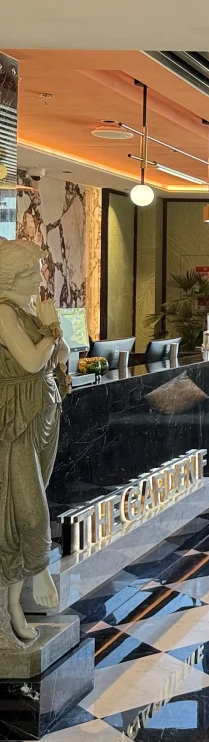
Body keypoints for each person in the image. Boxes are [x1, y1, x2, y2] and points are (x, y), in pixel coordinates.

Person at [0, 239, 65, 648]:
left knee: (26, 501)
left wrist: (51, 326)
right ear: (14, 276)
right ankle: (40, 569)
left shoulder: (27, 309)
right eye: (36, 272)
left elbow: (62, 356)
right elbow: (30, 361)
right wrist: (51, 331)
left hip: (43, 410)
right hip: (16, 417)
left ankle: (12, 609)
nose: (42, 279)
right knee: (24, 503)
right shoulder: (3, 312)